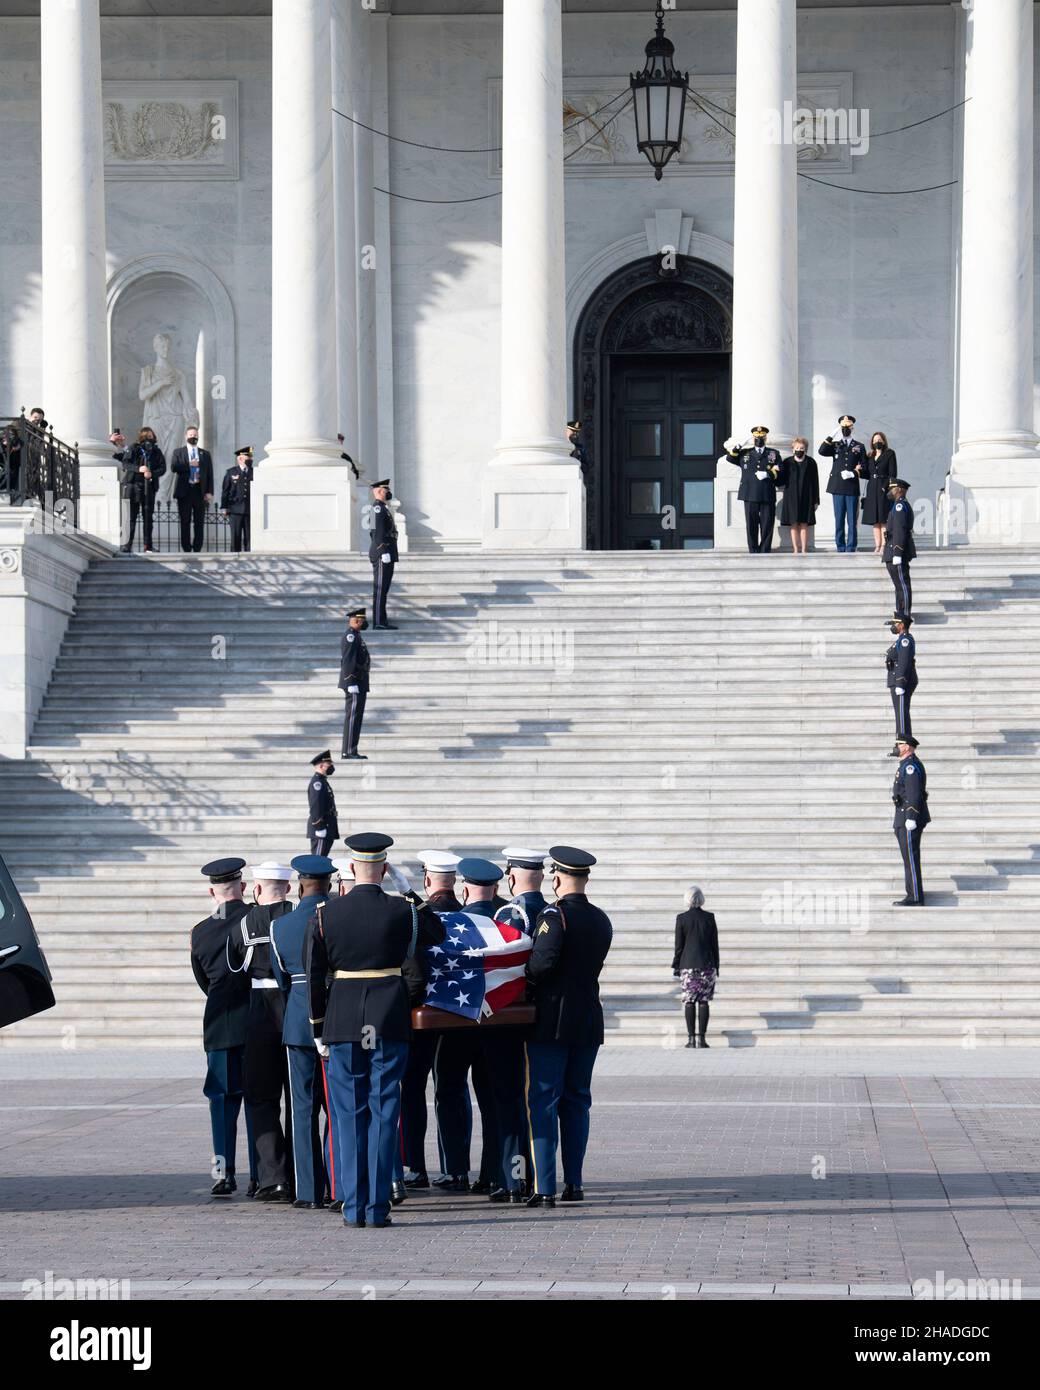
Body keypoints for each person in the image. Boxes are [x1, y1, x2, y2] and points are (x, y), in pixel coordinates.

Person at [306, 832, 444, 1228]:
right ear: (384, 869)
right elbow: (438, 933)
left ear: (350, 868)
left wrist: (317, 1026)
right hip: (388, 1017)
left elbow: (315, 975)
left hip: (343, 1019)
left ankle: (353, 1207)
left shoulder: (325, 913)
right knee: (385, 1111)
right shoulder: (404, 910)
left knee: (348, 1114)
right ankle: (378, 1207)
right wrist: (413, 895)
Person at [524, 847, 613, 1208]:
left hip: (552, 1021)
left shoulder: (553, 915)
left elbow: (541, 963)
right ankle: (574, 1183)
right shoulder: (601, 918)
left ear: (557, 878)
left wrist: (524, 979)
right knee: (577, 1101)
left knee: (544, 1101)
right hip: (588, 1018)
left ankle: (544, 1186)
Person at [428, 857, 504, 1196]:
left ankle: (455, 1170)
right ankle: (493, 1172)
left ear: (463, 889)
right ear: (497, 889)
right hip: (497, 1023)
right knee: (493, 1099)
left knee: (449, 1093)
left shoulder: (448, 922)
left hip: (454, 1020)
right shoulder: (507, 919)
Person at [270, 854, 337, 1211]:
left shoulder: (281, 926)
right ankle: (340, 1185)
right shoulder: (341, 917)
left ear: (299, 885)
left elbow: (282, 979)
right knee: (339, 1108)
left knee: (303, 1109)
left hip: (298, 1021)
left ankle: (309, 1191)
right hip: (338, 1020)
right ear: (330, 884)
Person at [188, 857, 257, 1197]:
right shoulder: (258, 920)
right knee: (260, 1099)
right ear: (243, 887)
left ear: (211, 891)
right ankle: (261, 1174)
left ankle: (223, 1172)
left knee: (221, 1103)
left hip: (218, 1023)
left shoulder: (199, 932)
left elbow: (204, 980)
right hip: (256, 1021)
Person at [226, 862, 294, 1202]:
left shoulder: (242, 924)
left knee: (261, 1098)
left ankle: (273, 1178)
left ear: (256, 889)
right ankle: (304, 1176)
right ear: (290, 888)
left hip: (259, 1011)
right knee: (300, 1100)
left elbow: (234, 971)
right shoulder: (300, 916)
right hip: (296, 1009)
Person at [400, 850, 462, 1190]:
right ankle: (457, 1168)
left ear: (427, 881)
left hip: (422, 1018)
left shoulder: (416, 918)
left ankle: (415, 1167)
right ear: (455, 882)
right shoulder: (468, 917)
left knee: (411, 1090)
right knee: (452, 1091)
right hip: (458, 1016)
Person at [671, 886, 720, 1048]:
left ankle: (691, 1039)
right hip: (707, 964)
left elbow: (679, 946)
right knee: (704, 1001)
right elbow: (715, 945)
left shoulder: (682, 918)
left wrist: (676, 965)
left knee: (690, 1002)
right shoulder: (709, 917)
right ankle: (703, 1039)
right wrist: (717, 966)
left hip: (688, 964)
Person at [723, 426, 782, 553]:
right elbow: (730, 458)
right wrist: (737, 447)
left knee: (767, 524)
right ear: (753, 439)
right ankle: (753, 550)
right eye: (756, 438)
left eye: (761, 437)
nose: (759, 439)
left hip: (767, 493)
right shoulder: (745, 453)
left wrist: (768, 474)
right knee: (751, 524)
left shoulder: (773, 453)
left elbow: (779, 469)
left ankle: (765, 549)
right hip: (749, 493)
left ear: (765, 438)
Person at [819, 414, 866, 552]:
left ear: (852, 427)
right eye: (843, 427)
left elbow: (864, 466)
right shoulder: (835, 445)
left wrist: (854, 473)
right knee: (839, 519)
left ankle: (851, 547)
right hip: (837, 487)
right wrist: (832, 434)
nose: (846, 429)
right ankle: (840, 546)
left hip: (851, 487)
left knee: (852, 520)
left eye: (848, 427)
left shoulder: (859, 446)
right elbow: (821, 451)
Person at [892, 736, 930, 906]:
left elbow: (914, 794)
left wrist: (911, 817)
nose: (896, 747)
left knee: (911, 859)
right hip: (902, 816)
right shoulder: (906, 764)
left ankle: (914, 896)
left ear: (907, 747)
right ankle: (913, 892)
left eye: (899, 744)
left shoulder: (910, 766)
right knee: (908, 859)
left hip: (908, 817)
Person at [117, 427, 166, 554]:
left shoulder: (157, 452)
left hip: (149, 488)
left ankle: (148, 546)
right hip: (133, 486)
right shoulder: (134, 448)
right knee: (130, 517)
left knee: (148, 518)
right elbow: (125, 464)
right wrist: (139, 469)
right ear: (141, 437)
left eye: (151, 436)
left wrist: (152, 473)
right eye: (146, 436)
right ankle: (126, 545)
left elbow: (163, 468)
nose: (149, 438)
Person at [169, 426, 214, 553]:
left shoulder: (205, 454)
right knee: (185, 521)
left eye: (195, 435)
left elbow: (209, 473)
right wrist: (189, 465)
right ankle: (187, 548)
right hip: (185, 491)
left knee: (199, 522)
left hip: (199, 491)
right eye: (190, 435)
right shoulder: (178, 452)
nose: (193, 437)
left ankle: (197, 547)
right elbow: (174, 467)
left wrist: (209, 491)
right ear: (186, 436)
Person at [339, 608, 371, 761]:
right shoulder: (351, 636)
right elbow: (348, 660)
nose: (364, 623)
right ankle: (348, 751)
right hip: (354, 682)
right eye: (362, 620)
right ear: (357, 621)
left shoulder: (357, 635)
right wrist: (350, 681)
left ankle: (352, 749)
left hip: (360, 682)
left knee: (356, 718)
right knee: (352, 717)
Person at [779, 437, 819, 554]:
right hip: (791, 497)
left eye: (802, 448)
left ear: (805, 449)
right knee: (794, 523)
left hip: (807, 497)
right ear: (793, 449)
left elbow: (815, 482)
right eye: (797, 448)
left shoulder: (811, 462)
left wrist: (816, 500)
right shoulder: (787, 462)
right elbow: (780, 480)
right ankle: (796, 549)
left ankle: (804, 549)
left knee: (804, 523)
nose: (799, 450)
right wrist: (775, 472)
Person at [885, 613, 917, 756]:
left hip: (901, 681)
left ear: (902, 625)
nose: (894, 626)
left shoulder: (905, 640)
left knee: (901, 712)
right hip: (896, 679)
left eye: (895, 624)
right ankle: (902, 739)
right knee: (900, 712)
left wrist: (900, 682)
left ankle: (904, 741)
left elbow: (904, 661)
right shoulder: (900, 639)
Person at [368, 480, 398, 629]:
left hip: (386, 552)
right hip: (382, 553)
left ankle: (382, 620)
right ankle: (379, 622)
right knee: (380, 589)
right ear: (380, 491)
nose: (388, 493)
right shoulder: (377, 509)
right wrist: (383, 550)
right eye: (386, 490)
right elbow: (376, 532)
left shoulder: (382, 508)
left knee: (384, 589)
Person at [862, 430, 898, 554]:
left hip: (883, 488)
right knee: (875, 519)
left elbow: (892, 473)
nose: (877, 442)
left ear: (883, 441)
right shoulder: (870, 455)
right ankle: (877, 545)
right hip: (872, 488)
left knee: (883, 519)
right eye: (875, 440)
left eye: (879, 440)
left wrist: (885, 486)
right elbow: (867, 473)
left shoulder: (889, 453)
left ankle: (884, 544)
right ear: (872, 442)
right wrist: (857, 471)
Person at [883, 479, 916, 616]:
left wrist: (897, 552)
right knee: (898, 586)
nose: (889, 492)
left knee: (902, 585)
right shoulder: (897, 505)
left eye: (892, 489)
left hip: (896, 551)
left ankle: (905, 615)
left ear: (900, 490)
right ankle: (900, 613)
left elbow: (899, 529)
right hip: (891, 549)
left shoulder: (900, 506)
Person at [221, 446, 253, 552]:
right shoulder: (231, 472)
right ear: (239, 459)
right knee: (236, 537)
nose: (250, 459)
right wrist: (224, 507)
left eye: (251, 457)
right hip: (235, 509)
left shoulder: (254, 472)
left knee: (250, 539)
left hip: (249, 509)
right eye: (247, 457)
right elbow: (225, 490)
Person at [306, 751, 339, 856]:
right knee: (318, 860)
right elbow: (315, 805)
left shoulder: (323, 781)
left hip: (328, 826)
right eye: (329, 764)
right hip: (322, 826)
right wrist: (319, 826)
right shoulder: (318, 782)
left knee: (322, 859)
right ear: (321, 765)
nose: (331, 767)